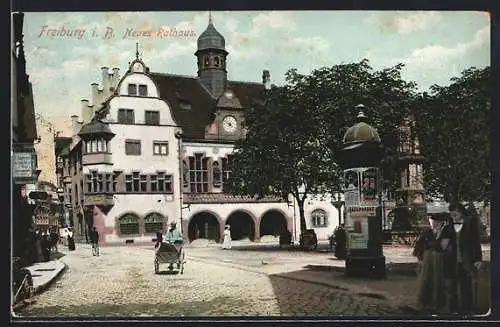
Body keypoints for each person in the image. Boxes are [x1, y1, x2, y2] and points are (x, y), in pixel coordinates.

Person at [412, 212, 454, 314]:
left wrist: (432, 245)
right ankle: (424, 303)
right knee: (426, 280)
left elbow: (444, 247)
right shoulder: (427, 232)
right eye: (433, 222)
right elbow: (419, 245)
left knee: (438, 280)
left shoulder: (446, 232)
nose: (435, 224)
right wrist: (420, 257)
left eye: (437, 222)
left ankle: (438, 304)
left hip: (439, 259)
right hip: (427, 258)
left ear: (441, 223)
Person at [445, 203, 483, 314]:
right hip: (452, 261)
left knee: (466, 285)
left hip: (466, 260)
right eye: (452, 213)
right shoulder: (448, 228)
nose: (453, 215)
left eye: (456, 213)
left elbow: (476, 244)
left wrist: (478, 259)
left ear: (462, 213)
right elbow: (443, 244)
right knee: (452, 287)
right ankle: (453, 309)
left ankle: (468, 308)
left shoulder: (470, 227)